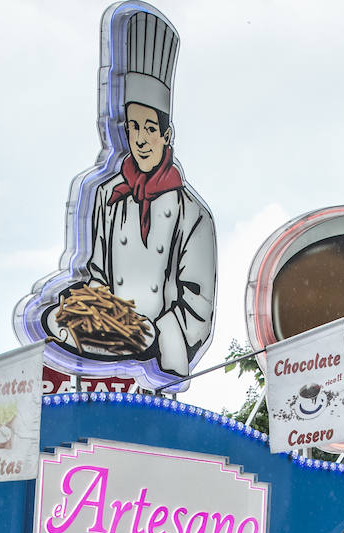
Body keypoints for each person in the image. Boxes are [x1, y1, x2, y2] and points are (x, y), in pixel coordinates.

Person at [44, 8, 215, 382]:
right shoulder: (108, 194)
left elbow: (199, 307)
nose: (139, 139)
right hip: (100, 351)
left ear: (167, 135)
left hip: (159, 360)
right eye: (134, 125)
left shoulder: (193, 214)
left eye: (150, 128)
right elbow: (96, 276)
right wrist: (83, 308)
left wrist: (152, 340)